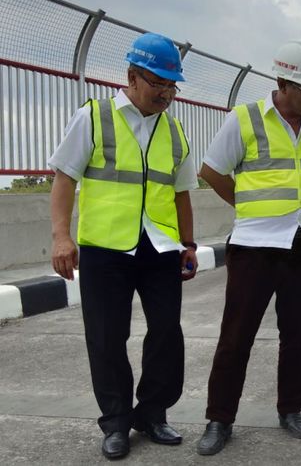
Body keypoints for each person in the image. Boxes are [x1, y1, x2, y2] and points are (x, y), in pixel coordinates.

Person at [49, 32, 198, 460]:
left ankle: (152, 414)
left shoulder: (173, 129)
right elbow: (64, 178)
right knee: (107, 337)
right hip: (105, 248)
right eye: (158, 83)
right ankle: (116, 422)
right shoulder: (93, 117)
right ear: (131, 77)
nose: (166, 94)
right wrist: (62, 236)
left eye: (172, 86)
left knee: (167, 333)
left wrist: (187, 243)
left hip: (161, 248)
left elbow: (182, 191)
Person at [196, 41, 301, 455]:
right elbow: (212, 171)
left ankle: (291, 409)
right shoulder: (245, 119)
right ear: (281, 82)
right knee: (236, 336)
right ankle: (219, 419)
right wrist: (250, 207)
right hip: (254, 247)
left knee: (298, 336)